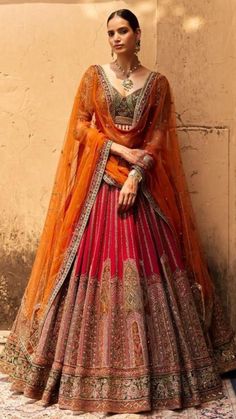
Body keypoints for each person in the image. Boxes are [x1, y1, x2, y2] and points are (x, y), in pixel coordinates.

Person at [1, 8, 236, 414]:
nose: (116, 37)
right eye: (110, 31)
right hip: (99, 186)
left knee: (149, 270)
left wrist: (136, 174)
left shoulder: (158, 84)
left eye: (123, 30)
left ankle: (153, 373)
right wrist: (116, 149)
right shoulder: (93, 77)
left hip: (140, 190)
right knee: (89, 269)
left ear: (137, 33)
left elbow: (160, 134)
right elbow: (80, 126)